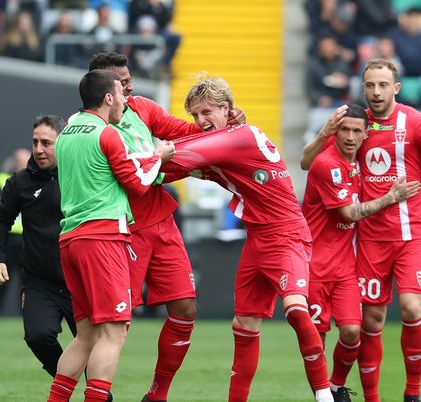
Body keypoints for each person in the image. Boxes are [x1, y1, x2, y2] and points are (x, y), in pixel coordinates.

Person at [161, 74, 333, 402]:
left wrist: (136, 154)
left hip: (287, 234)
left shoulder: (239, 137)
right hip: (257, 238)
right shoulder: (224, 143)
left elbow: (176, 156)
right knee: (244, 326)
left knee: (297, 312)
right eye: (196, 115)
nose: (201, 121)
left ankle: (325, 396)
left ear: (227, 109)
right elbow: (172, 167)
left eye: (207, 112)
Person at [85, 52, 245, 402]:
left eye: (130, 80)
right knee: (113, 324)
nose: (130, 87)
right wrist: (170, 161)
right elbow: (142, 172)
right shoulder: (96, 130)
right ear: (105, 90)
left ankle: (158, 394)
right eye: (122, 83)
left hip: (161, 221)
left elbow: (186, 132)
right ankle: (98, 394)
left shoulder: (143, 107)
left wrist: (222, 125)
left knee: (185, 308)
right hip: (121, 229)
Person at [300, 59, 421, 402]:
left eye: (383, 85)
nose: (376, 92)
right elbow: (308, 161)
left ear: (396, 88)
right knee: (370, 320)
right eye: (370, 85)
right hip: (370, 237)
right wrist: (324, 133)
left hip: (412, 232)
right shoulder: (354, 125)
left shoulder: (416, 122)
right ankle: (366, 395)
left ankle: (412, 393)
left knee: (412, 309)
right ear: (363, 87)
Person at [46, 69, 174, 402]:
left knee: (85, 335)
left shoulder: (68, 132)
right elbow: (138, 182)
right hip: (103, 239)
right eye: (120, 95)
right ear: (107, 98)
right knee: (114, 332)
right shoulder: (107, 134)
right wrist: (158, 156)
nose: (124, 101)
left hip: (70, 238)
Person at [302, 105, 421, 401]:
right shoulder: (327, 163)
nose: (351, 137)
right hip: (314, 263)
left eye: (357, 131)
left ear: (366, 134)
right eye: (345, 130)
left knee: (353, 332)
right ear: (335, 132)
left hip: (344, 266)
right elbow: (351, 212)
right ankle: (324, 396)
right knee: (317, 338)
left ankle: (335, 385)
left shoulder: (358, 161)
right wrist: (391, 197)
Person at [0, 116, 77, 376]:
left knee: (92, 346)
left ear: (64, 144)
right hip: (40, 281)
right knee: (37, 338)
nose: (38, 149)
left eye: (46, 143)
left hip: (80, 280)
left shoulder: (83, 176)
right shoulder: (20, 181)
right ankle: (67, 384)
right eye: (35, 142)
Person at [0, 147, 30, 316]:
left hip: (27, 238)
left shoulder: (33, 180)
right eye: (22, 160)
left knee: (26, 281)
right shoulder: (2, 180)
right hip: (9, 236)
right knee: (1, 277)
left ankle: (25, 315)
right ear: (15, 162)